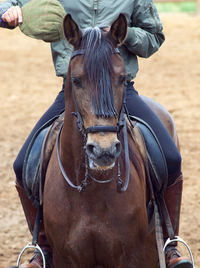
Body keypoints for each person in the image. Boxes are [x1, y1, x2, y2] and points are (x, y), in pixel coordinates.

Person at [0, 1, 192, 267]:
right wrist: (5, 11)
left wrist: (121, 36)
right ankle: (43, 247)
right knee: (23, 165)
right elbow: (12, 2)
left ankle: (171, 245)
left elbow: (154, 36)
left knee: (171, 159)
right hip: (76, 88)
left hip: (117, 88)